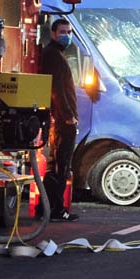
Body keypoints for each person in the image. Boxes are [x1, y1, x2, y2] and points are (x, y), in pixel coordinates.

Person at [39, 18, 80, 222]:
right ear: (54, 33)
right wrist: (68, 116)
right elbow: (56, 91)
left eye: (69, 31)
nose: (67, 35)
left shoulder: (56, 54)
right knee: (60, 166)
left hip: (61, 118)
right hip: (62, 120)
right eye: (63, 31)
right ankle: (55, 209)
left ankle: (46, 208)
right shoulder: (53, 56)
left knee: (56, 164)